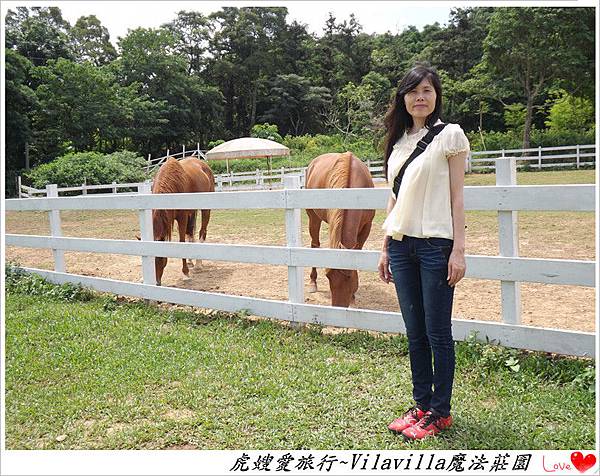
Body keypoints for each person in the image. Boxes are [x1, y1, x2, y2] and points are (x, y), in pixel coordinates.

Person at [377, 64, 469, 440]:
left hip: (435, 246)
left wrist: (458, 250)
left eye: (427, 90)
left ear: (436, 97)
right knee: (415, 332)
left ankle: (440, 412)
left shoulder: (450, 136)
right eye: (413, 91)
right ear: (403, 98)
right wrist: (385, 247)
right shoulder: (399, 142)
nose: (420, 97)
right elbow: (394, 198)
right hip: (401, 247)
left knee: (437, 332)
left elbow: (458, 197)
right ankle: (421, 405)